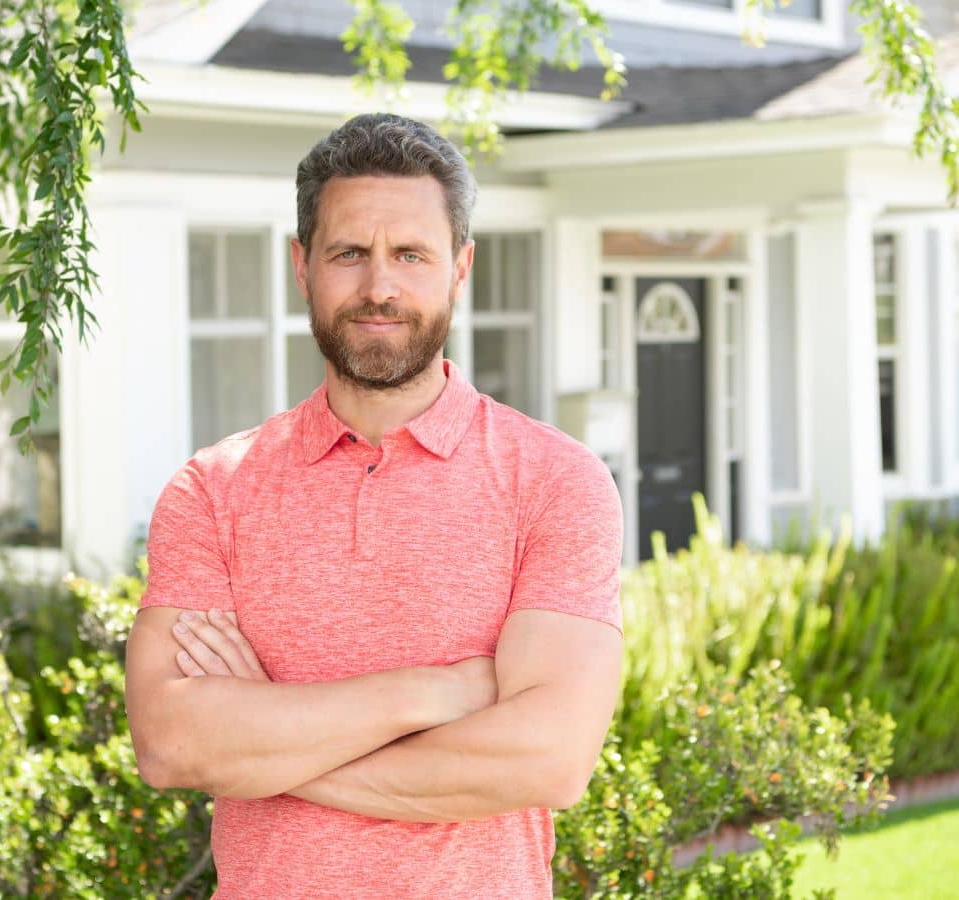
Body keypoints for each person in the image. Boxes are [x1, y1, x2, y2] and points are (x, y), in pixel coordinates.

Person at [124, 112, 624, 899]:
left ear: (460, 268)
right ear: (302, 266)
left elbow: (550, 758)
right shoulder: (212, 490)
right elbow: (171, 743)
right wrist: (433, 693)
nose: (379, 286)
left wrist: (270, 744)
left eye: (410, 255)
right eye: (349, 253)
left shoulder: (555, 482)